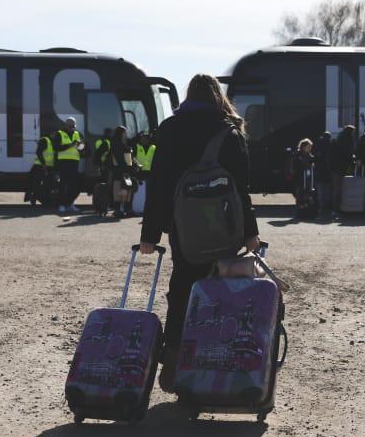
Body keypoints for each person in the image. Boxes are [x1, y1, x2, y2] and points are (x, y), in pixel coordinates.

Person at [138, 74, 259, 391]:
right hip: (225, 230)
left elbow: (159, 185)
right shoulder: (228, 131)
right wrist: (250, 233)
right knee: (221, 295)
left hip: (184, 229)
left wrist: (150, 234)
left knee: (181, 291)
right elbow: (241, 190)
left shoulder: (170, 129)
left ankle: (175, 366)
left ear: (189, 96)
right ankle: (215, 368)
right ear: (218, 97)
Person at [54, 118, 84, 213]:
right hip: (63, 161)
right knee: (63, 184)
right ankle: (61, 205)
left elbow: (82, 147)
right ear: (65, 125)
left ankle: (70, 204)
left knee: (73, 185)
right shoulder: (59, 134)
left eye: (73, 126)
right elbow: (56, 147)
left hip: (74, 161)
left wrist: (80, 146)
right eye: (70, 126)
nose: (72, 128)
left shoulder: (77, 133)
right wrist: (70, 145)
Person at [107, 125, 136, 217]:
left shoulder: (122, 142)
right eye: (125, 132)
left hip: (125, 169)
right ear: (121, 133)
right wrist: (125, 169)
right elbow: (120, 157)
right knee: (119, 189)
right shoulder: (117, 143)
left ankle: (125, 208)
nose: (126, 134)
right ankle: (119, 209)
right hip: (120, 170)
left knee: (126, 189)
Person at [25, 125, 57, 205]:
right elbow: (38, 153)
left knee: (45, 184)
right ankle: (34, 198)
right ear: (50, 134)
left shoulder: (51, 142)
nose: (55, 136)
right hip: (40, 166)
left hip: (48, 166)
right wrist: (43, 164)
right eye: (54, 134)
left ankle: (37, 198)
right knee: (37, 184)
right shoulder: (44, 140)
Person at [330, 125, 357, 213]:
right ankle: (341, 207)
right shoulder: (349, 140)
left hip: (335, 166)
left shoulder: (339, 138)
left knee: (336, 188)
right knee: (342, 188)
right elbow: (349, 153)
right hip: (343, 167)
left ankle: (335, 208)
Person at [291, 138, 315, 211]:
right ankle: (300, 210)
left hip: (308, 178)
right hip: (300, 178)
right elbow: (295, 167)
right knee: (300, 194)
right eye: (308, 146)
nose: (310, 148)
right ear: (303, 147)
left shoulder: (310, 156)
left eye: (310, 147)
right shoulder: (298, 155)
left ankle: (306, 209)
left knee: (307, 194)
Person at [313, 131, 332, 216]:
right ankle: (326, 208)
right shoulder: (330, 145)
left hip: (319, 171)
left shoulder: (318, 145)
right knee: (327, 190)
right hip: (328, 171)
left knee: (320, 190)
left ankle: (320, 208)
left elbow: (315, 158)